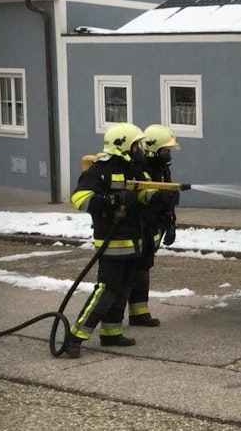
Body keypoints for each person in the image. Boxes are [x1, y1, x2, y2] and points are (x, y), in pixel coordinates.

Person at [65, 123, 156, 358]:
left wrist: (160, 196)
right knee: (105, 291)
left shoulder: (135, 168)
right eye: (137, 144)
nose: (141, 149)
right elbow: (80, 198)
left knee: (123, 290)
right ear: (123, 144)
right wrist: (113, 200)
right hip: (112, 242)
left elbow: (145, 191)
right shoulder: (100, 169)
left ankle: (111, 333)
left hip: (133, 241)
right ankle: (75, 337)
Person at [127, 124, 180, 327]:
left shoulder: (161, 169)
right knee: (131, 271)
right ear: (153, 148)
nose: (168, 154)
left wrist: (171, 224)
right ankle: (115, 316)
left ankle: (139, 312)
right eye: (165, 150)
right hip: (139, 228)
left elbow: (166, 201)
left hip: (151, 228)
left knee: (143, 269)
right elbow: (140, 198)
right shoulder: (140, 170)